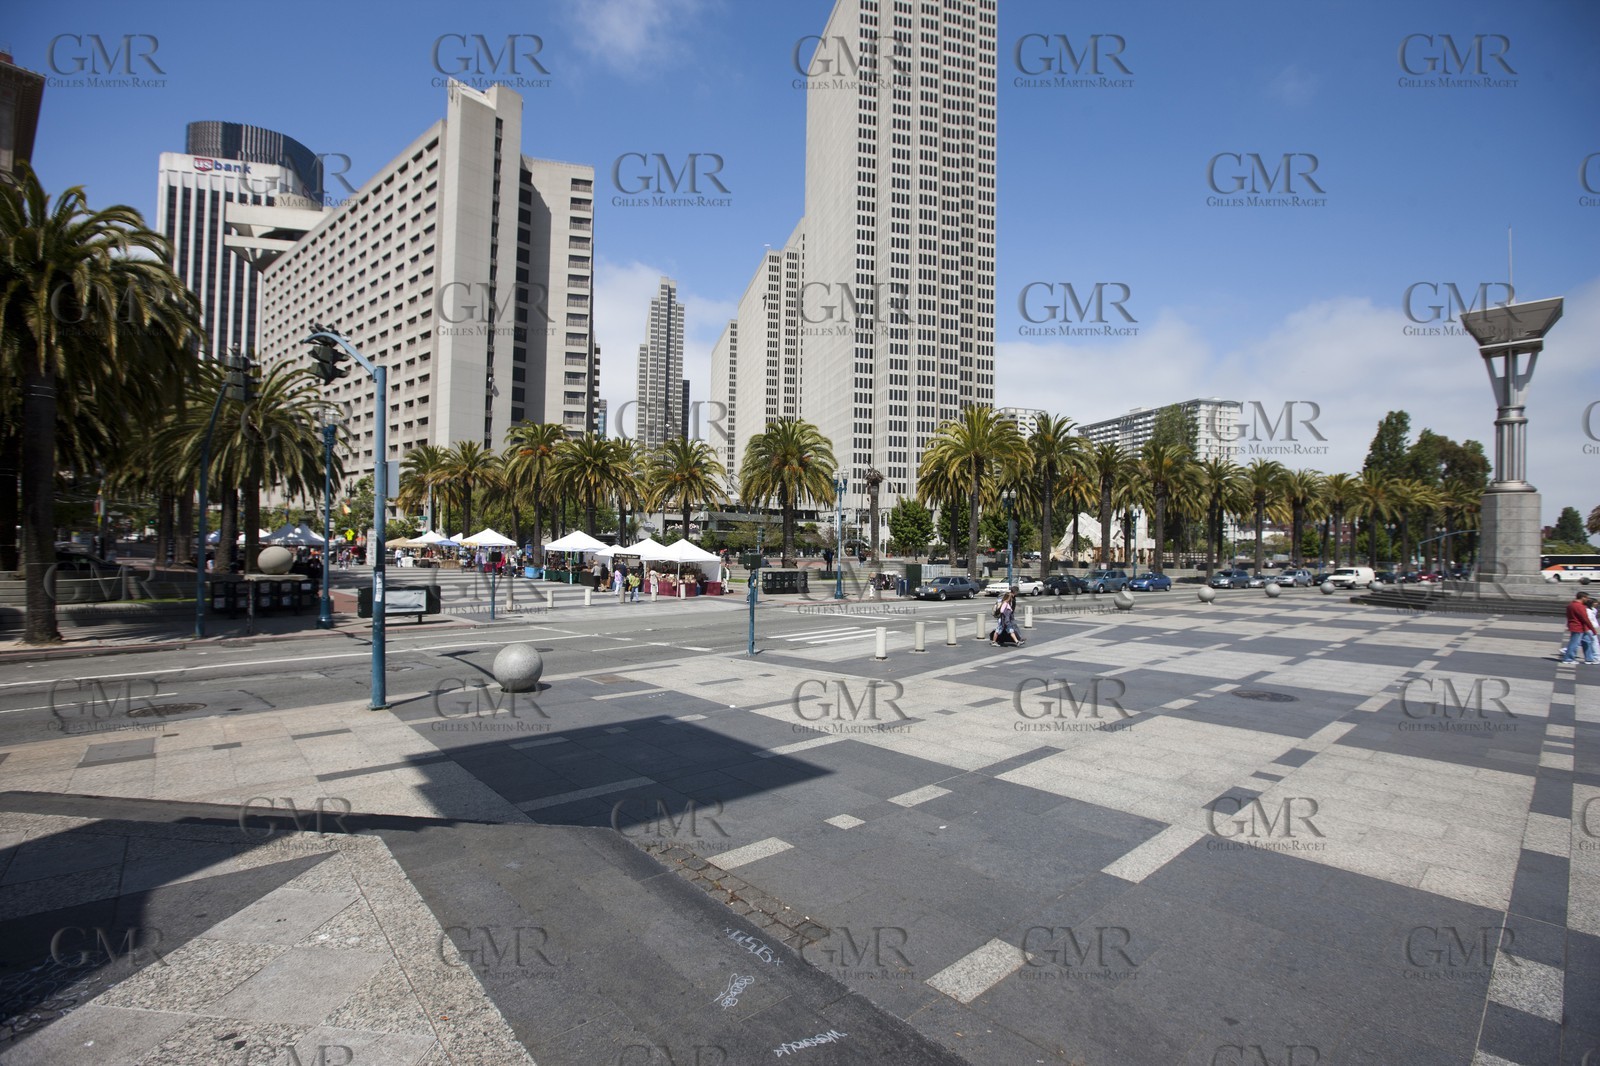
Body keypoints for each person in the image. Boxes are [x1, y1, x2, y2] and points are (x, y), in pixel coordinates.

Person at [1559, 590, 1597, 663]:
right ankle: (1568, 659)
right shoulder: (1580, 606)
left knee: (1587, 641)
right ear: (1583, 597)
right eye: (1587, 598)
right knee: (1574, 643)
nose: (1587, 600)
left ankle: (1589, 659)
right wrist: (1592, 629)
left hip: (1577, 626)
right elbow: (1585, 618)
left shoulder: (1571, 605)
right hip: (1578, 627)